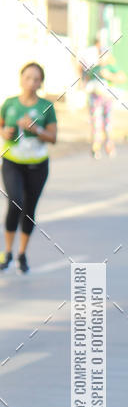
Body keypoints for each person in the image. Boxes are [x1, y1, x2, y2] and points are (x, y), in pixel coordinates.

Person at [0, 63, 57, 273]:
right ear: (21, 79)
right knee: (15, 201)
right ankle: (6, 252)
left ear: (40, 82)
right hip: (12, 161)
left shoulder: (46, 107)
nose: (31, 82)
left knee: (29, 209)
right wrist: (5, 132)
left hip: (37, 164)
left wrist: (36, 128)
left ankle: (22, 254)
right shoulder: (10, 103)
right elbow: (2, 124)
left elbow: (53, 137)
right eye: (27, 78)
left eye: (36, 79)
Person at [83, 48, 126, 158]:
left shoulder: (111, 68)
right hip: (95, 99)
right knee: (96, 124)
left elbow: (122, 77)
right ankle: (95, 148)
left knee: (108, 124)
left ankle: (109, 146)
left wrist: (109, 76)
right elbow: (86, 79)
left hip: (107, 99)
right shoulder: (95, 68)